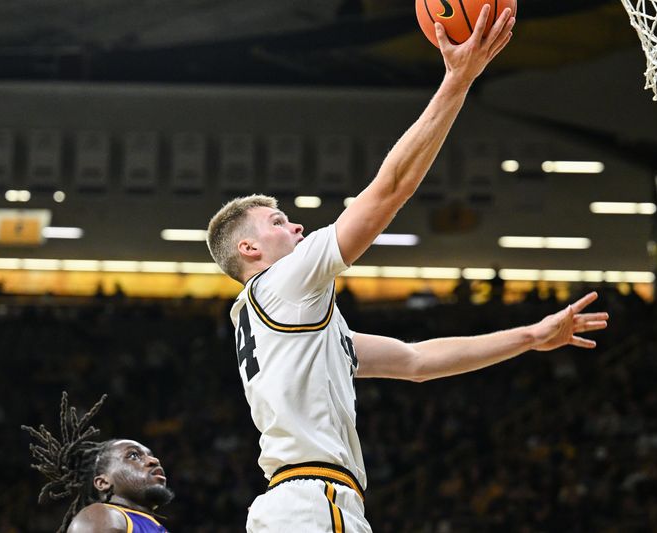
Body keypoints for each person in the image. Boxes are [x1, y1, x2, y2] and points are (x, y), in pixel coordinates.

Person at [206, 7, 607, 532]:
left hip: (292, 505)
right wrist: (456, 82)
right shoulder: (283, 283)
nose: (297, 228)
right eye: (278, 222)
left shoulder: (287, 321)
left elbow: (418, 360)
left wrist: (531, 336)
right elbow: (389, 191)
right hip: (311, 502)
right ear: (249, 250)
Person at [22, 392, 174, 533]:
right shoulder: (104, 516)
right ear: (103, 482)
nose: (154, 461)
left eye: (151, 455)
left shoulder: (150, 525)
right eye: (133, 456)